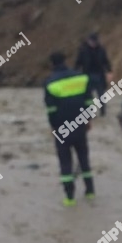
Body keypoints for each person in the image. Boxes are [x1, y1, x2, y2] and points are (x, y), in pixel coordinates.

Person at [44, 52, 96, 207]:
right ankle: (90, 191)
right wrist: (88, 120)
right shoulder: (81, 78)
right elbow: (89, 101)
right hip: (80, 125)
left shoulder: (50, 83)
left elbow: (51, 110)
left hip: (62, 128)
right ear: (66, 61)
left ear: (52, 64)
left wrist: (54, 128)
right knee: (84, 159)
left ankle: (69, 197)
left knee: (65, 162)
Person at [74, 33, 112, 116]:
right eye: (92, 41)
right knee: (88, 96)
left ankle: (103, 111)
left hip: (99, 75)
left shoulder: (101, 49)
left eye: (95, 42)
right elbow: (78, 62)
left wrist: (109, 71)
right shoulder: (83, 50)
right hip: (86, 75)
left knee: (101, 94)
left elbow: (106, 61)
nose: (93, 43)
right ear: (88, 41)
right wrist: (75, 72)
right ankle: (89, 112)